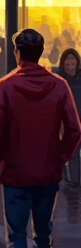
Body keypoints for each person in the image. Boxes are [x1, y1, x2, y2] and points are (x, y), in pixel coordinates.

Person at [0, 28, 81, 248]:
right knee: (43, 235)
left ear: (17, 53)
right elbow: (75, 129)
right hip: (48, 174)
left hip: (15, 175)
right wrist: (60, 157)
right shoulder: (59, 85)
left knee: (16, 235)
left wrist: (5, 157)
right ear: (41, 53)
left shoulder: (5, 86)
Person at [54, 47, 81, 187]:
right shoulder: (59, 79)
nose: (70, 62)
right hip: (67, 121)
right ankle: (74, 181)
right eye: (67, 59)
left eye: (72, 58)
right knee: (71, 152)